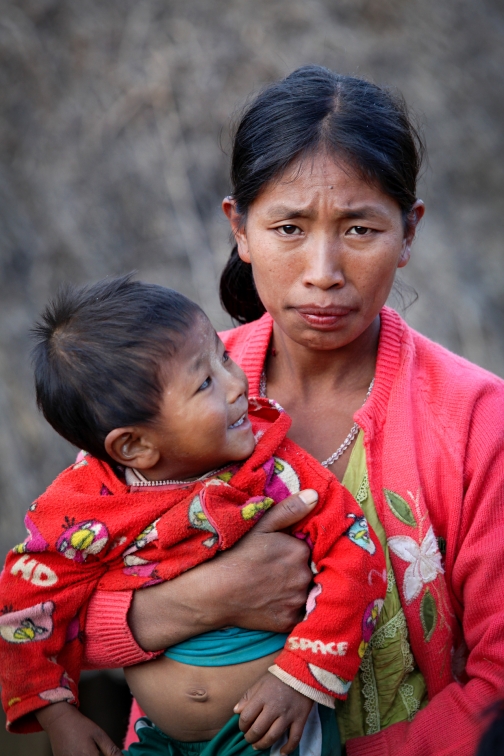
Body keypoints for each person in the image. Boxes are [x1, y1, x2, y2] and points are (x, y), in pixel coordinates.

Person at [80, 65, 504, 756]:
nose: (323, 270)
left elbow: (496, 683)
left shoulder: (477, 420)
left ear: (409, 232)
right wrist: (199, 602)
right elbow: (45, 607)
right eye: (289, 227)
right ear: (240, 230)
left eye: (360, 229)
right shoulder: (156, 400)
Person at [0, 276, 387, 756]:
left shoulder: (271, 470)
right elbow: (27, 600)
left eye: (223, 358)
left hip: (268, 732)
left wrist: (301, 678)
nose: (235, 384)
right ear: (134, 445)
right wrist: (57, 714)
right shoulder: (85, 507)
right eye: (204, 382)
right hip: (159, 741)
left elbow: (355, 554)